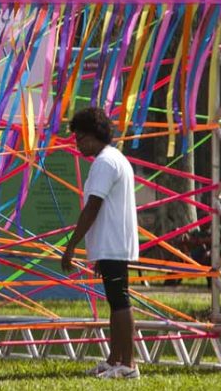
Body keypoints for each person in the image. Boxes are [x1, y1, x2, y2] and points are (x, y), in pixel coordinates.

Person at [59, 106, 140, 380]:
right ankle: (114, 359)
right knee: (115, 301)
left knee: (120, 302)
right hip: (111, 244)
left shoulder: (106, 162)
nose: (77, 144)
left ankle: (128, 365)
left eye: (79, 138)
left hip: (113, 241)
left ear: (94, 135)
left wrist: (71, 245)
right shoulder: (112, 159)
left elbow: (93, 207)